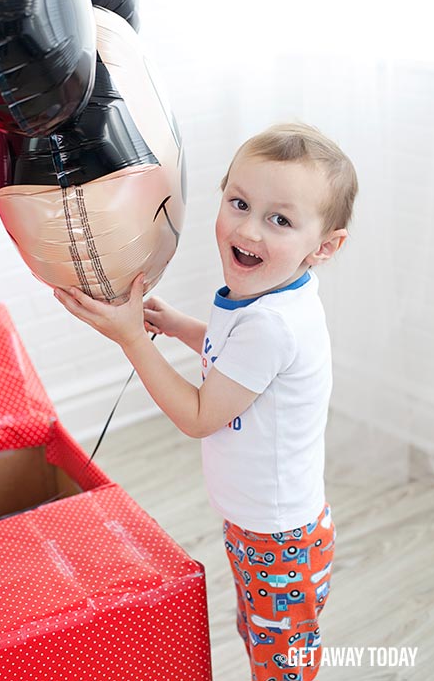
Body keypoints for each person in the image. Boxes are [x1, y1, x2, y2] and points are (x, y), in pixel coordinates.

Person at [53, 122, 358, 680]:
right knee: (259, 636)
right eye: (239, 202)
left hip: (279, 536)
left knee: (284, 663)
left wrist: (129, 339)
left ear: (326, 247)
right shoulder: (268, 295)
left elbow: (198, 415)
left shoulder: (271, 324)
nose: (248, 229)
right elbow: (235, 356)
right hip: (258, 524)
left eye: (280, 220)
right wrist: (179, 326)